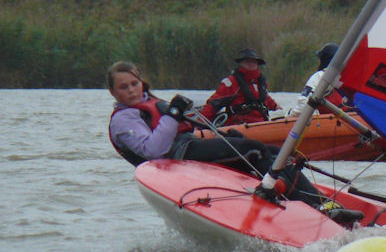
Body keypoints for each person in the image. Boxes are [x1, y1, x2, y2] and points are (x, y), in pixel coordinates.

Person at [107, 60, 322, 207]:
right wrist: (173, 115)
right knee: (253, 151)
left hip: (187, 145)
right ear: (113, 92)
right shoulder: (123, 119)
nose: (132, 90)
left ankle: (316, 200)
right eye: (124, 87)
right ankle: (300, 200)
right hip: (176, 158)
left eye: (135, 84)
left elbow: (185, 126)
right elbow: (154, 150)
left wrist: (182, 115)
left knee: (275, 152)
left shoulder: (149, 104)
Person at [200, 48, 281, 126]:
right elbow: (214, 104)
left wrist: (277, 107)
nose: (251, 64)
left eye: (253, 61)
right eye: (247, 61)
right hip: (240, 124)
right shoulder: (232, 82)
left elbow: (265, 99)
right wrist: (200, 122)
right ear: (241, 64)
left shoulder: (260, 83)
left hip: (261, 123)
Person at [289, 43, 349, 116]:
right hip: (352, 118)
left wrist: (291, 114)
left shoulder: (319, 76)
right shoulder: (349, 76)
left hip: (329, 121)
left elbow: (302, 106)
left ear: (324, 60)